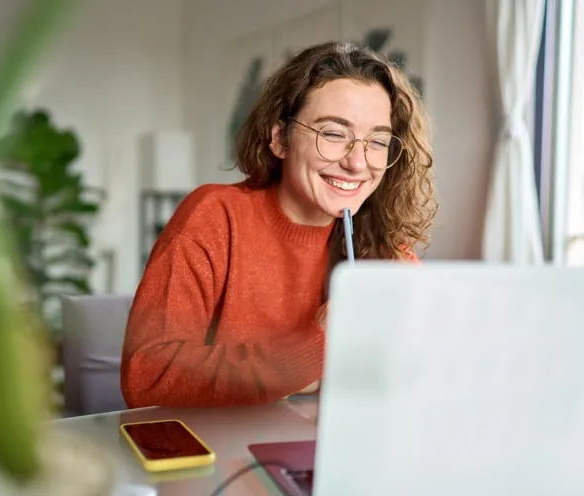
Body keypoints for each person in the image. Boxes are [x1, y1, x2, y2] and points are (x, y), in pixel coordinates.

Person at [121, 41, 437, 408]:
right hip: (217, 456)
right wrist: (316, 346)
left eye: (377, 141)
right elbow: (147, 376)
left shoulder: (384, 248)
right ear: (279, 138)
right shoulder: (214, 216)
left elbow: (418, 378)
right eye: (333, 134)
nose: (357, 162)